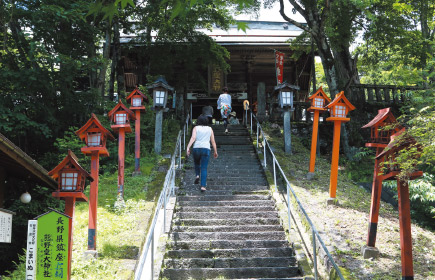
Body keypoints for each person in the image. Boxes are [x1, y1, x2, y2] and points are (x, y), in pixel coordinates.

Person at [186, 115, 218, 192]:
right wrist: (215, 151)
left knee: (196, 163)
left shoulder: (196, 128)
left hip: (196, 148)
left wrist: (188, 147)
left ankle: (197, 175)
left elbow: (193, 138)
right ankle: (203, 186)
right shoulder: (210, 129)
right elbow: (213, 141)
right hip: (206, 148)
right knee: (204, 168)